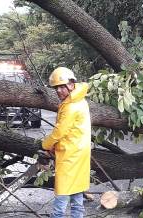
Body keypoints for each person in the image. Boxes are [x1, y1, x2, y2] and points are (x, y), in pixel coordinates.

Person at [41, 67, 91, 218]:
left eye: (62, 86)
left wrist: (45, 145)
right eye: (56, 88)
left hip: (70, 156)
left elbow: (59, 132)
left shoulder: (71, 106)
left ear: (71, 84)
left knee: (61, 196)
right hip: (79, 154)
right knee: (77, 195)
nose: (58, 91)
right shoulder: (79, 100)